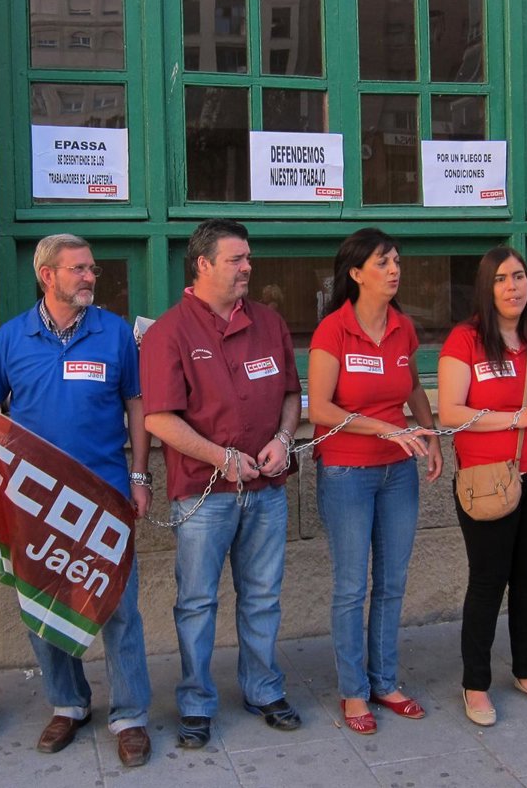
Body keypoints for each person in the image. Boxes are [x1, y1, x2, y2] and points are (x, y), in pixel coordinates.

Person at [0, 234, 153, 768]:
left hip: (105, 496)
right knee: (43, 603)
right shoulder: (11, 338)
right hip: (36, 500)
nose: (90, 277)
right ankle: (68, 704)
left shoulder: (114, 332)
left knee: (119, 608)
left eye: (92, 269)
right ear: (46, 275)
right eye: (78, 269)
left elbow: (137, 404)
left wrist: (140, 475)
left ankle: (130, 716)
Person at [141, 218, 302, 750]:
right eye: (236, 260)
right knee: (196, 602)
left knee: (263, 596)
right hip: (203, 495)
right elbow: (159, 418)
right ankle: (196, 701)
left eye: (248, 258)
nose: (247, 267)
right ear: (203, 265)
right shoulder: (169, 333)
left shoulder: (270, 323)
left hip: (266, 491)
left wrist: (283, 438)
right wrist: (221, 458)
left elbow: (291, 394)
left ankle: (263, 688)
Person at [306, 229, 442, 734]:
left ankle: (384, 681)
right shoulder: (333, 330)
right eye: (382, 262)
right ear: (356, 273)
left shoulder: (403, 328)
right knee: (350, 586)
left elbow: (413, 388)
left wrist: (430, 435)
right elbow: (320, 409)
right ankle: (353, 691)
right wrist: (384, 428)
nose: (394, 269)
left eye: (397, 261)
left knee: (391, 582)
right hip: (346, 471)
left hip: (398, 471)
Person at [437, 247, 527, 727]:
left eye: (518, 276)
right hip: (487, 479)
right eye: (500, 279)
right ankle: (475, 683)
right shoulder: (466, 340)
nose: (512, 287)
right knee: (487, 581)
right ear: (485, 287)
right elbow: (451, 413)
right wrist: (515, 418)